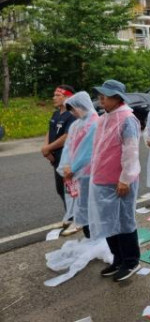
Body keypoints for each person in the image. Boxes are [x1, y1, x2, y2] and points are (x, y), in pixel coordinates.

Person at [88, 80, 141, 282]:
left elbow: (131, 151)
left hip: (120, 182)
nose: (102, 98)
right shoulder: (104, 118)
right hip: (102, 180)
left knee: (124, 221)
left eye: (106, 95)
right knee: (108, 222)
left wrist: (125, 179)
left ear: (117, 98)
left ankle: (131, 261)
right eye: (101, 94)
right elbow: (98, 149)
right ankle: (117, 259)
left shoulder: (127, 119)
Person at [57, 91, 99, 239]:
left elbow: (88, 152)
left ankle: (96, 239)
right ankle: (89, 237)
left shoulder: (95, 123)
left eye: (73, 109)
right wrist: (66, 166)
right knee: (81, 205)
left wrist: (72, 168)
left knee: (90, 206)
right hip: (75, 172)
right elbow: (68, 147)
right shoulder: (76, 124)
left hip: (88, 172)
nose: (73, 113)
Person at [42, 85, 77, 233]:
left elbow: (67, 136)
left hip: (66, 157)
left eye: (58, 95)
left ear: (67, 97)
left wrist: (49, 148)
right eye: (54, 94)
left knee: (71, 189)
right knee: (60, 189)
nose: (54, 97)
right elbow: (49, 131)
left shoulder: (72, 115)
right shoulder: (56, 114)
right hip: (55, 157)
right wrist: (46, 148)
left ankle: (76, 219)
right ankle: (68, 216)